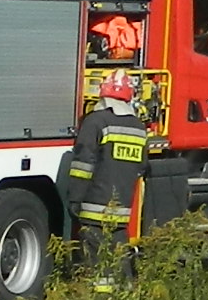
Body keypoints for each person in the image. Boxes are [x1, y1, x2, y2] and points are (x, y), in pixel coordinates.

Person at [56, 94, 149, 275]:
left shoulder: (95, 121)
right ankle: (122, 291)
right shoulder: (139, 127)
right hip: (120, 214)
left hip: (93, 211)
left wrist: (75, 198)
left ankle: (97, 293)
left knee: (94, 267)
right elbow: (141, 167)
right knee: (119, 264)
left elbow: (83, 164)